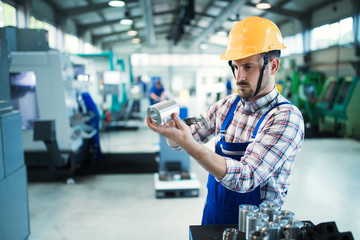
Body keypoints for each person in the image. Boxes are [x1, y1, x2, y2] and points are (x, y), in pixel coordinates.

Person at [146, 16, 305, 225]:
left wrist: (188, 143)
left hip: (255, 228)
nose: (239, 77)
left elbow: (246, 178)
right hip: (213, 217)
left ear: (273, 66)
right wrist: (172, 133)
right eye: (235, 67)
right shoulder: (227, 106)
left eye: (248, 67)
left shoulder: (285, 118)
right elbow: (182, 143)